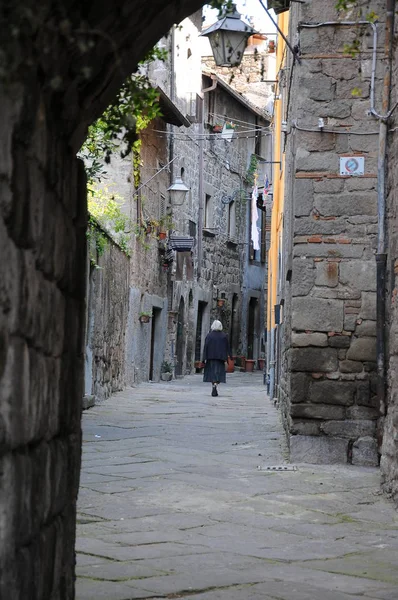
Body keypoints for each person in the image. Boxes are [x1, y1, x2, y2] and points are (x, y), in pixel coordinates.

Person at [202, 320, 231, 396]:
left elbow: (206, 347)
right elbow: (227, 347)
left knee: (212, 373)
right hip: (221, 358)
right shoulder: (224, 336)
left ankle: (213, 385)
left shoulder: (209, 335)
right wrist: (230, 356)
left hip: (210, 357)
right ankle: (215, 384)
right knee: (219, 373)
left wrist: (203, 358)